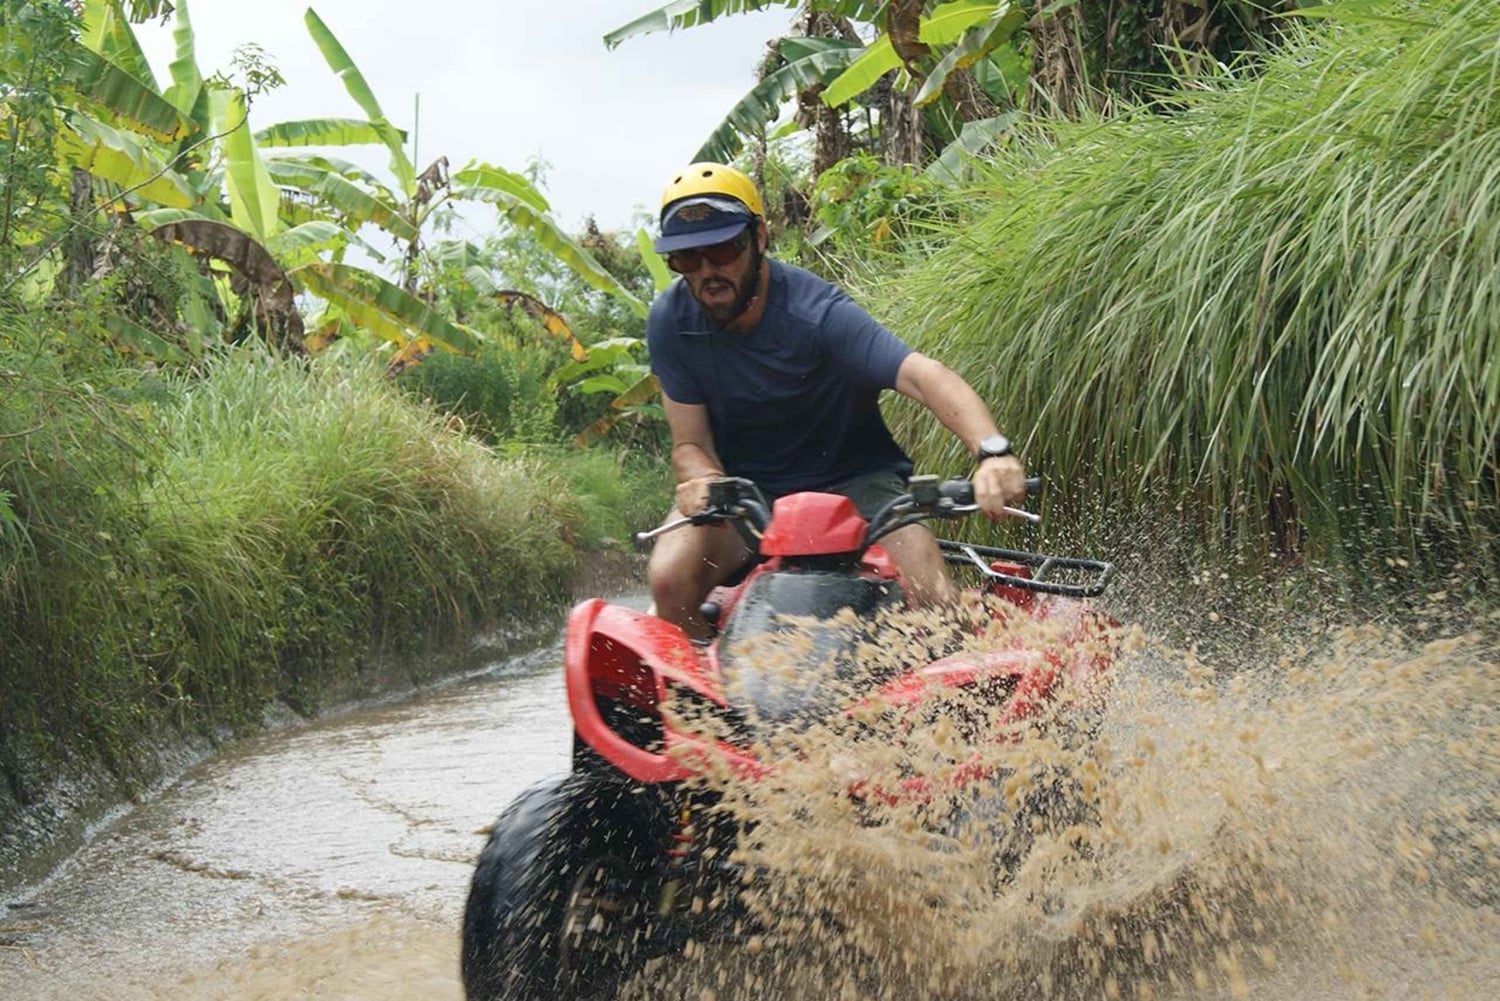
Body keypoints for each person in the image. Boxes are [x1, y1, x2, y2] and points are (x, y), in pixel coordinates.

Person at [645, 162, 1027, 639]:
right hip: (747, 497)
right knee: (668, 578)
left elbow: (923, 376)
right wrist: (703, 479)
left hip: (859, 486)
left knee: (935, 598)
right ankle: (704, 678)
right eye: (686, 258)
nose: (707, 272)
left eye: (722, 249)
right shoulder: (670, 322)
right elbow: (689, 445)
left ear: (758, 238)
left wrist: (993, 452)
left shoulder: (818, 315)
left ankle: (959, 671)